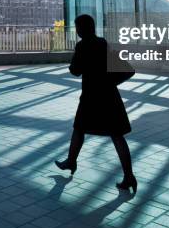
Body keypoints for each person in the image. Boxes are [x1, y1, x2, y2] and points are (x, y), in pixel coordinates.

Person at [55, 14, 137, 194]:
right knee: (117, 135)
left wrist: (75, 63)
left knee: (79, 128)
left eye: (77, 27)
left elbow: (75, 71)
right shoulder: (102, 42)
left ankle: (71, 161)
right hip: (109, 96)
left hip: (91, 97)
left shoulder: (82, 45)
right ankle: (129, 175)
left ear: (82, 29)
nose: (76, 31)